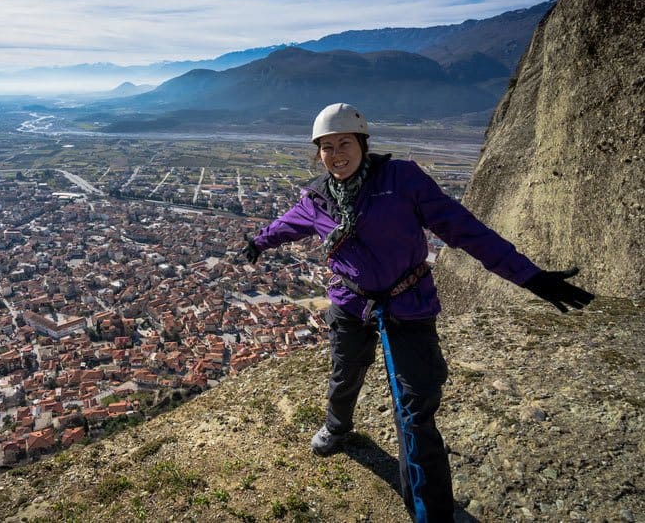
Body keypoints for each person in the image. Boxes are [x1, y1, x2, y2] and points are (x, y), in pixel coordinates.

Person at [241, 102, 593, 522]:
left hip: (407, 304)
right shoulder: (317, 199)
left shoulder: (402, 178)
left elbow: (465, 229)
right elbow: (285, 225)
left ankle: (432, 513)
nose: (336, 154)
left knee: (415, 409)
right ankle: (338, 426)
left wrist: (530, 277)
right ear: (318, 153)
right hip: (351, 303)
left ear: (363, 143)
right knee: (345, 372)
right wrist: (258, 242)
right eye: (327, 147)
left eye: (344, 143)